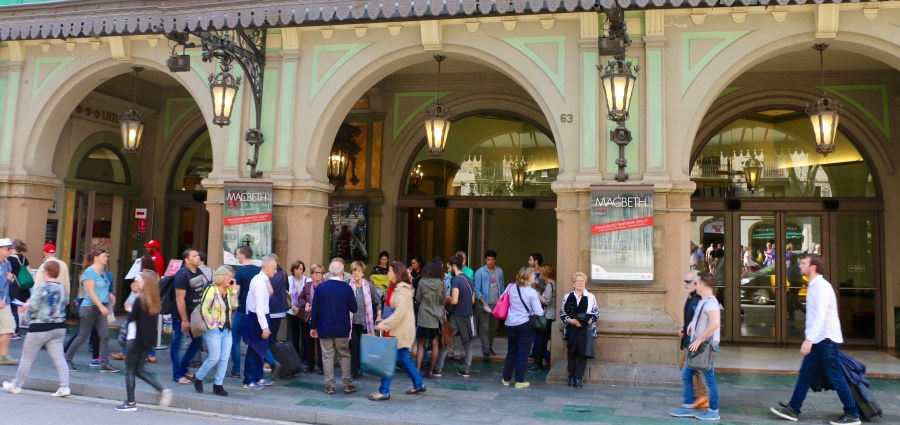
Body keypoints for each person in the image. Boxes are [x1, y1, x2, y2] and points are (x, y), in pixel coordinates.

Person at [770, 255, 861, 425]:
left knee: (836, 377)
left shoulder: (821, 287)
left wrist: (808, 340)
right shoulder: (814, 285)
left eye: (803, 263)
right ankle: (793, 409)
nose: (800, 266)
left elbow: (820, 317)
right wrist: (810, 338)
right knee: (806, 374)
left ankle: (852, 413)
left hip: (826, 339)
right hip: (819, 339)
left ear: (813, 267)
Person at [2, 261, 70, 397]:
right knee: (59, 358)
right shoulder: (61, 288)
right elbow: (65, 303)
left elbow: (34, 307)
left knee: (27, 358)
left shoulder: (41, 287)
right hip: (59, 326)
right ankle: (65, 386)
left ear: (46, 272)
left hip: (40, 327)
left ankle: (16, 385)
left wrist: (26, 307)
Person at [116, 271, 173, 411]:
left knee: (129, 370)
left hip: (134, 339)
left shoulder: (140, 299)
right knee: (139, 370)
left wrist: (131, 308)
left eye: (140, 280)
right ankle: (161, 390)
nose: (138, 282)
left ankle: (130, 402)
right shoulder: (155, 301)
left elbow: (131, 319)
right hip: (146, 342)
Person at [370, 261, 425, 400]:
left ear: (396, 273)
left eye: (390, 271)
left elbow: (399, 314)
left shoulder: (402, 290)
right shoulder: (397, 287)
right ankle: (419, 384)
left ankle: (384, 391)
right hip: (400, 330)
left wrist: (384, 324)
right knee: (403, 357)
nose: (388, 273)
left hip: (401, 331)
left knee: (389, 361)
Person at [669, 271, 721, 421]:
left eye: (696, 283)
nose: (694, 285)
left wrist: (699, 340)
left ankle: (713, 411)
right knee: (686, 374)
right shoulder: (703, 300)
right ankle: (687, 406)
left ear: (703, 284)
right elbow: (699, 318)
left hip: (705, 347)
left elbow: (715, 323)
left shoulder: (710, 302)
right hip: (697, 346)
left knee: (708, 380)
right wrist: (692, 324)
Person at [64, 248, 118, 372]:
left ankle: (105, 364)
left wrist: (110, 296)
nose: (106, 258)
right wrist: (101, 307)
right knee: (82, 336)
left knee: (104, 336)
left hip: (101, 307)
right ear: (96, 258)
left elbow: (103, 289)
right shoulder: (89, 272)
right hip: (89, 309)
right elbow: (91, 293)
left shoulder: (103, 272)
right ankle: (67, 360)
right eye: (104, 256)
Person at [310, 260, 358, 395]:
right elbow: (354, 308)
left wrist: (313, 326)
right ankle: (347, 384)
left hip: (324, 328)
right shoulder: (347, 288)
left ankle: (330, 386)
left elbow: (315, 309)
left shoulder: (321, 288)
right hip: (342, 328)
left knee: (327, 356)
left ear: (329, 272)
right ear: (342, 272)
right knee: (344, 355)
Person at [194, 265, 238, 396]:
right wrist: (212, 324)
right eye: (228, 276)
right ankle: (199, 376)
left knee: (224, 358)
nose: (231, 279)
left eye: (232, 277)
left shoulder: (229, 291)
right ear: (221, 276)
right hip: (214, 330)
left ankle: (218, 385)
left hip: (227, 330)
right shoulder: (212, 289)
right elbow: (204, 309)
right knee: (214, 357)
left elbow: (235, 306)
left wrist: (234, 291)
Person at [500, 267, 543, 388]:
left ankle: (506, 379)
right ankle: (519, 381)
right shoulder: (532, 292)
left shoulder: (510, 287)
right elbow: (539, 312)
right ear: (528, 277)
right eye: (533, 276)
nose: (535, 278)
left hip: (510, 323)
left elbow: (502, 299)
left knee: (511, 351)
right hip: (525, 324)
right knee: (523, 352)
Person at [434, 256, 475, 378]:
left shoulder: (456, 280)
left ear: (453, 266)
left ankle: (438, 369)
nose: (448, 270)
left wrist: (446, 301)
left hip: (457, 316)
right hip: (469, 315)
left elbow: (455, 300)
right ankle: (466, 370)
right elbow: (472, 300)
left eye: (449, 267)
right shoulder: (469, 280)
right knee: (468, 345)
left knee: (445, 342)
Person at [172, 249, 209, 384]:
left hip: (196, 316)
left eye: (198, 255)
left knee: (198, 341)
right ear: (187, 260)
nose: (198, 257)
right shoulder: (182, 275)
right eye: (194, 256)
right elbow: (179, 299)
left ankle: (183, 367)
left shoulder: (198, 271)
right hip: (182, 317)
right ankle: (177, 374)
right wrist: (184, 321)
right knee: (177, 344)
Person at [243, 255, 277, 390]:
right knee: (253, 350)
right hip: (256, 319)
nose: (275, 271)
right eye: (274, 268)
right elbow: (259, 307)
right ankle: (248, 380)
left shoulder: (262, 280)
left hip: (257, 317)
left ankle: (257, 377)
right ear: (268, 267)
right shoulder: (259, 282)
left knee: (260, 350)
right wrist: (264, 327)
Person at [229, 245, 259, 378]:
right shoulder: (258, 270)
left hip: (242, 310)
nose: (236, 256)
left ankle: (236, 370)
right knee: (255, 339)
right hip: (255, 311)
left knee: (235, 338)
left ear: (242, 254)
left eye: (237, 254)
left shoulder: (240, 272)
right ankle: (271, 362)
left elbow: (236, 292)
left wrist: (232, 305)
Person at [348, 260, 381, 379]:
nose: (356, 273)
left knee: (362, 346)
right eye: (354, 270)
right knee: (353, 346)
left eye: (358, 271)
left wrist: (379, 315)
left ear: (363, 273)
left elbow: (377, 301)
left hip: (365, 322)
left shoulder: (369, 285)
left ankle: (361, 368)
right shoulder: (347, 285)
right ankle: (354, 370)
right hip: (351, 322)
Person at [677, 271, 706, 406]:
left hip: (694, 341)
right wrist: (683, 328)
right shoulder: (691, 297)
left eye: (688, 281)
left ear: (695, 283)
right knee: (691, 368)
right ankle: (700, 395)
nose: (685, 284)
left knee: (688, 368)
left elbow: (700, 321)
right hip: (689, 339)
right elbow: (690, 319)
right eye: (685, 281)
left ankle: (699, 396)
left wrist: (698, 340)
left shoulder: (698, 299)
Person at [414, 259, 446, 378]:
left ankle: (417, 371)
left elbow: (417, 298)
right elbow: (443, 300)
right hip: (436, 317)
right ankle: (431, 371)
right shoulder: (441, 283)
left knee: (421, 344)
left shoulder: (422, 282)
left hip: (424, 317)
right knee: (435, 343)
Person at [473, 250, 503, 360]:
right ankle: (485, 351)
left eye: (492, 259)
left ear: (495, 260)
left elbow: (501, 288)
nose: (490, 261)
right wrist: (484, 303)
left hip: (496, 304)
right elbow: (476, 289)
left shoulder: (499, 271)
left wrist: (501, 302)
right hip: (484, 304)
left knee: (493, 328)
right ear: (485, 260)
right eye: (488, 259)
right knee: (484, 327)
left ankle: (489, 346)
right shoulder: (480, 272)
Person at [298, 263, 325, 373]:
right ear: (312, 273)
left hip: (322, 317)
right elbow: (300, 298)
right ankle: (310, 365)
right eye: (316, 272)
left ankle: (321, 366)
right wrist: (305, 304)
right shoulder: (308, 285)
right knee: (309, 342)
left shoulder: (325, 286)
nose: (318, 274)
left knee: (320, 344)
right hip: (309, 317)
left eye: (320, 273)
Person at [529, 264, 557, 371]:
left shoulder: (549, 285)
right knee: (543, 340)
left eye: (541, 273)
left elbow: (546, 301)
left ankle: (538, 363)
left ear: (545, 274)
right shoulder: (554, 284)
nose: (540, 275)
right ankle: (539, 361)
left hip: (547, 316)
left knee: (541, 340)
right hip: (551, 315)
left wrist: (538, 295)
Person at [287, 260, 310, 361]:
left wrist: (301, 307)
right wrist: (292, 306)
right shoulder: (288, 279)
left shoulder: (307, 280)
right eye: (297, 269)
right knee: (294, 336)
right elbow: (286, 295)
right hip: (292, 311)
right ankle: (296, 357)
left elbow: (309, 297)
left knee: (305, 336)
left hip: (303, 311)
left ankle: (304, 358)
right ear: (293, 270)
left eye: (301, 269)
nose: (299, 271)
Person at [0, 238, 18, 364]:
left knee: (9, 327)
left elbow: (8, 283)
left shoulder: (7, 264)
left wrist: (11, 279)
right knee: (8, 327)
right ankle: (3, 355)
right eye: (8, 249)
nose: (11, 251)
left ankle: (3, 355)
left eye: (11, 248)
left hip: (5, 300)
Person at [8, 239, 30, 340]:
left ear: (13, 247)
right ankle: (16, 332)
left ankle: (15, 332)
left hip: (12, 288)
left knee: (11, 310)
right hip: (22, 288)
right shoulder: (24, 259)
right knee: (14, 310)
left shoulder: (10, 259)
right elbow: (28, 273)